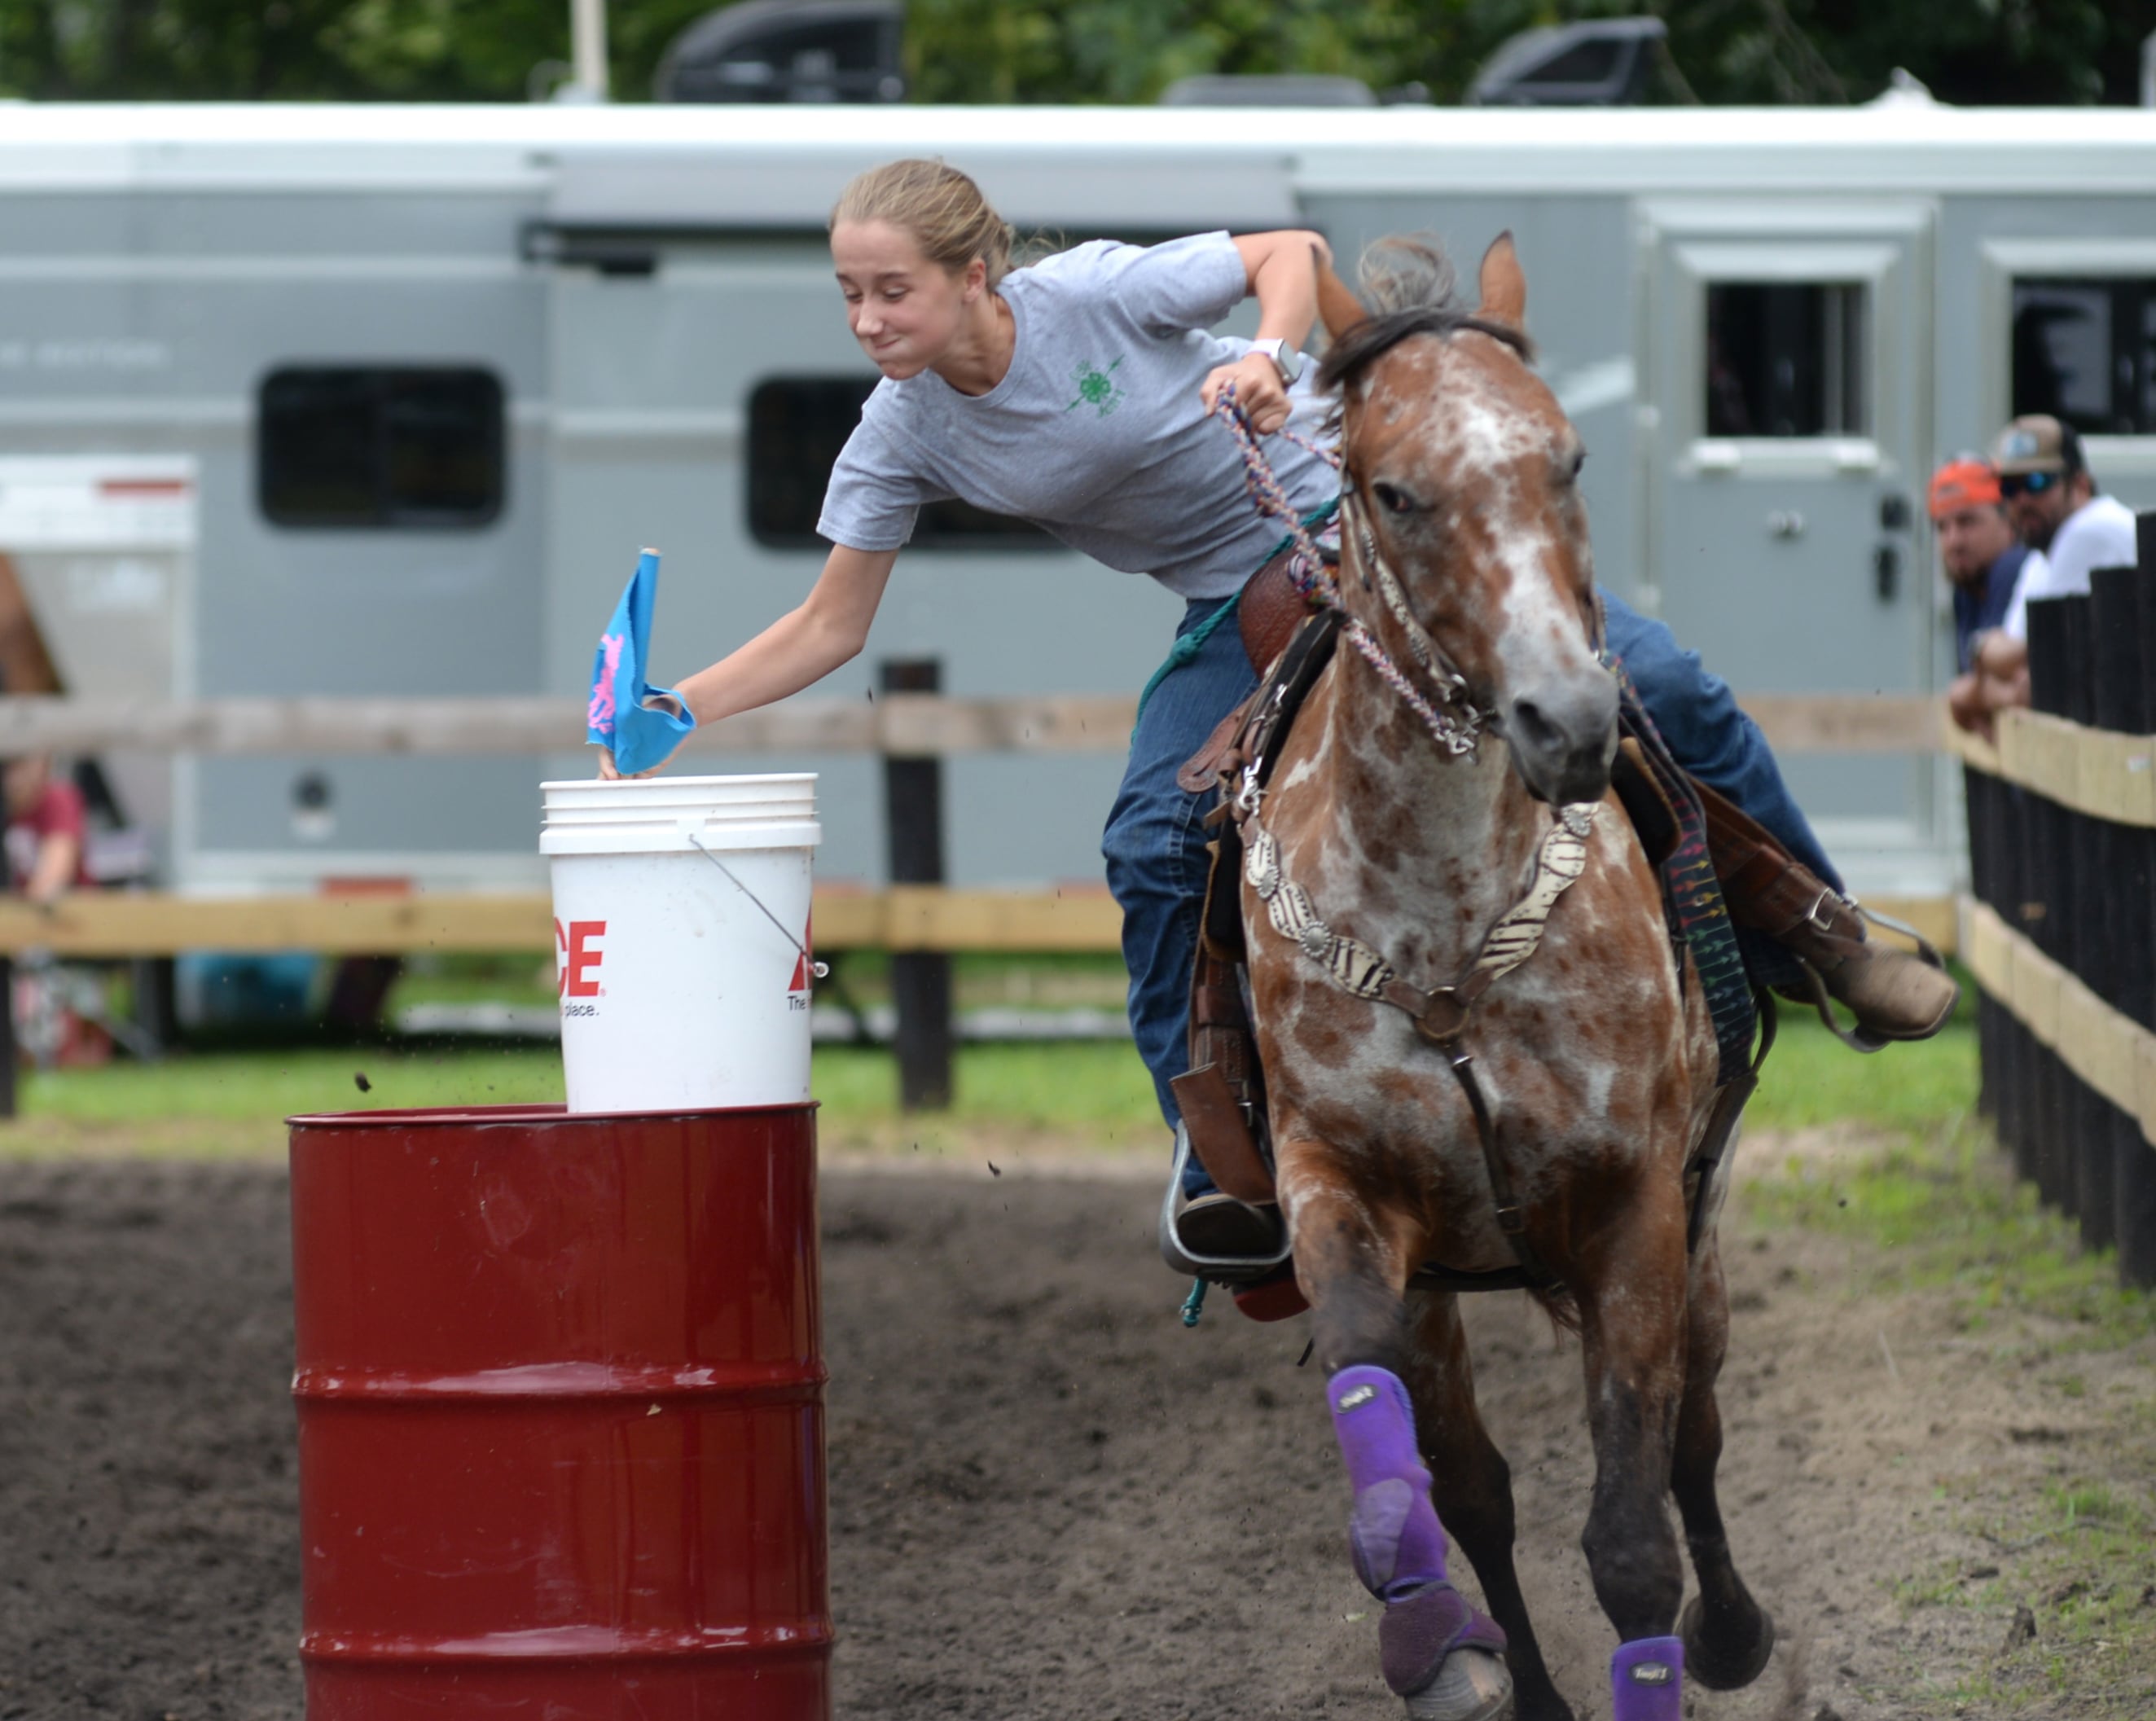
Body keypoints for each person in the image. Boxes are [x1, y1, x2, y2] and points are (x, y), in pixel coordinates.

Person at [600, 160, 1955, 1267]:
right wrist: (680, 706)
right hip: (1231, 605)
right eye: (849, 294)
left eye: (889, 289)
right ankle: (1217, 1150)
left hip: (1370, 526)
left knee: (1660, 686)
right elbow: (831, 624)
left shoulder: (1094, 292)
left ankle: (1823, 933)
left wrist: (1262, 354)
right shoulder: (898, 433)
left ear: (975, 275)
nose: (867, 319)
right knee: (1147, 837)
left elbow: (1289, 248)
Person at [1933, 457, 2037, 735]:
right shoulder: (1965, 586)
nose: (1954, 541)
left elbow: (2011, 688)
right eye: (1943, 527)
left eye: (1967, 522)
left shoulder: (2014, 566)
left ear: (2008, 520)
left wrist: (1970, 695)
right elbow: (1978, 694)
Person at [3, 753, 89, 903]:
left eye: (22, 765)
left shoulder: (57, 798)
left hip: (70, 910)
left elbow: (55, 873)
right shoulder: (7, 809)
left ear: (44, 764)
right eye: (8, 766)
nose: (14, 776)